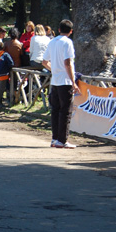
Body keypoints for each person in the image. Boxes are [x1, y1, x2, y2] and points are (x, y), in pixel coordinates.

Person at [42, 19, 80, 149]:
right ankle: (62, 140)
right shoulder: (67, 42)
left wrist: (54, 69)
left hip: (55, 80)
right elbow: (68, 62)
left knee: (55, 110)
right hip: (65, 80)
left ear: (58, 30)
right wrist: (73, 81)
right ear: (71, 31)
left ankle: (55, 138)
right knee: (66, 111)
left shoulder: (52, 42)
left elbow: (44, 61)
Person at [0, 41, 13, 110]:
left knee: (0, 88)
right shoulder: (5, 54)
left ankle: (0, 103)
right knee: (0, 89)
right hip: (4, 74)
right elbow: (11, 63)